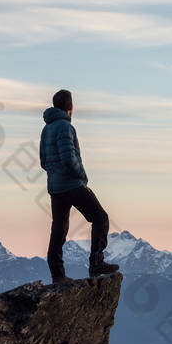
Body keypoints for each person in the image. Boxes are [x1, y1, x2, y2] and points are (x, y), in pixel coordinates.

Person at [40, 89, 119, 282]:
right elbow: (69, 158)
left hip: (55, 187)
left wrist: (54, 174)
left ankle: (57, 274)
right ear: (70, 106)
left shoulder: (47, 129)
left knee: (59, 229)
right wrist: (81, 176)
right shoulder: (65, 128)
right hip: (72, 184)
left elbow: (43, 161)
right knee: (100, 218)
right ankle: (96, 263)